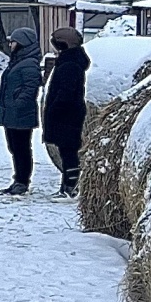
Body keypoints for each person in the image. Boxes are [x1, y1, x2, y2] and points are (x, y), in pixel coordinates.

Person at [41, 22, 90, 195]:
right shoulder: (70, 61)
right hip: (69, 113)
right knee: (66, 151)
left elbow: (66, 92)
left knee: (69, 152)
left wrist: (54, 109)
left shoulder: (69, 64)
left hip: (67, 115)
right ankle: (67, 185)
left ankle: (71, 186)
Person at [0, 26, 41, 194]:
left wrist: (17, 103)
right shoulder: (18, 61)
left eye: (13, 41)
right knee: (14, 148)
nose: (11, 44)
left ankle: (22, 181)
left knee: (21, 149)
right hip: (12, 113)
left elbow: (31, 87)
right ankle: (18, 180)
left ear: (22, 43)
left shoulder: (28, 63)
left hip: (21, 114)